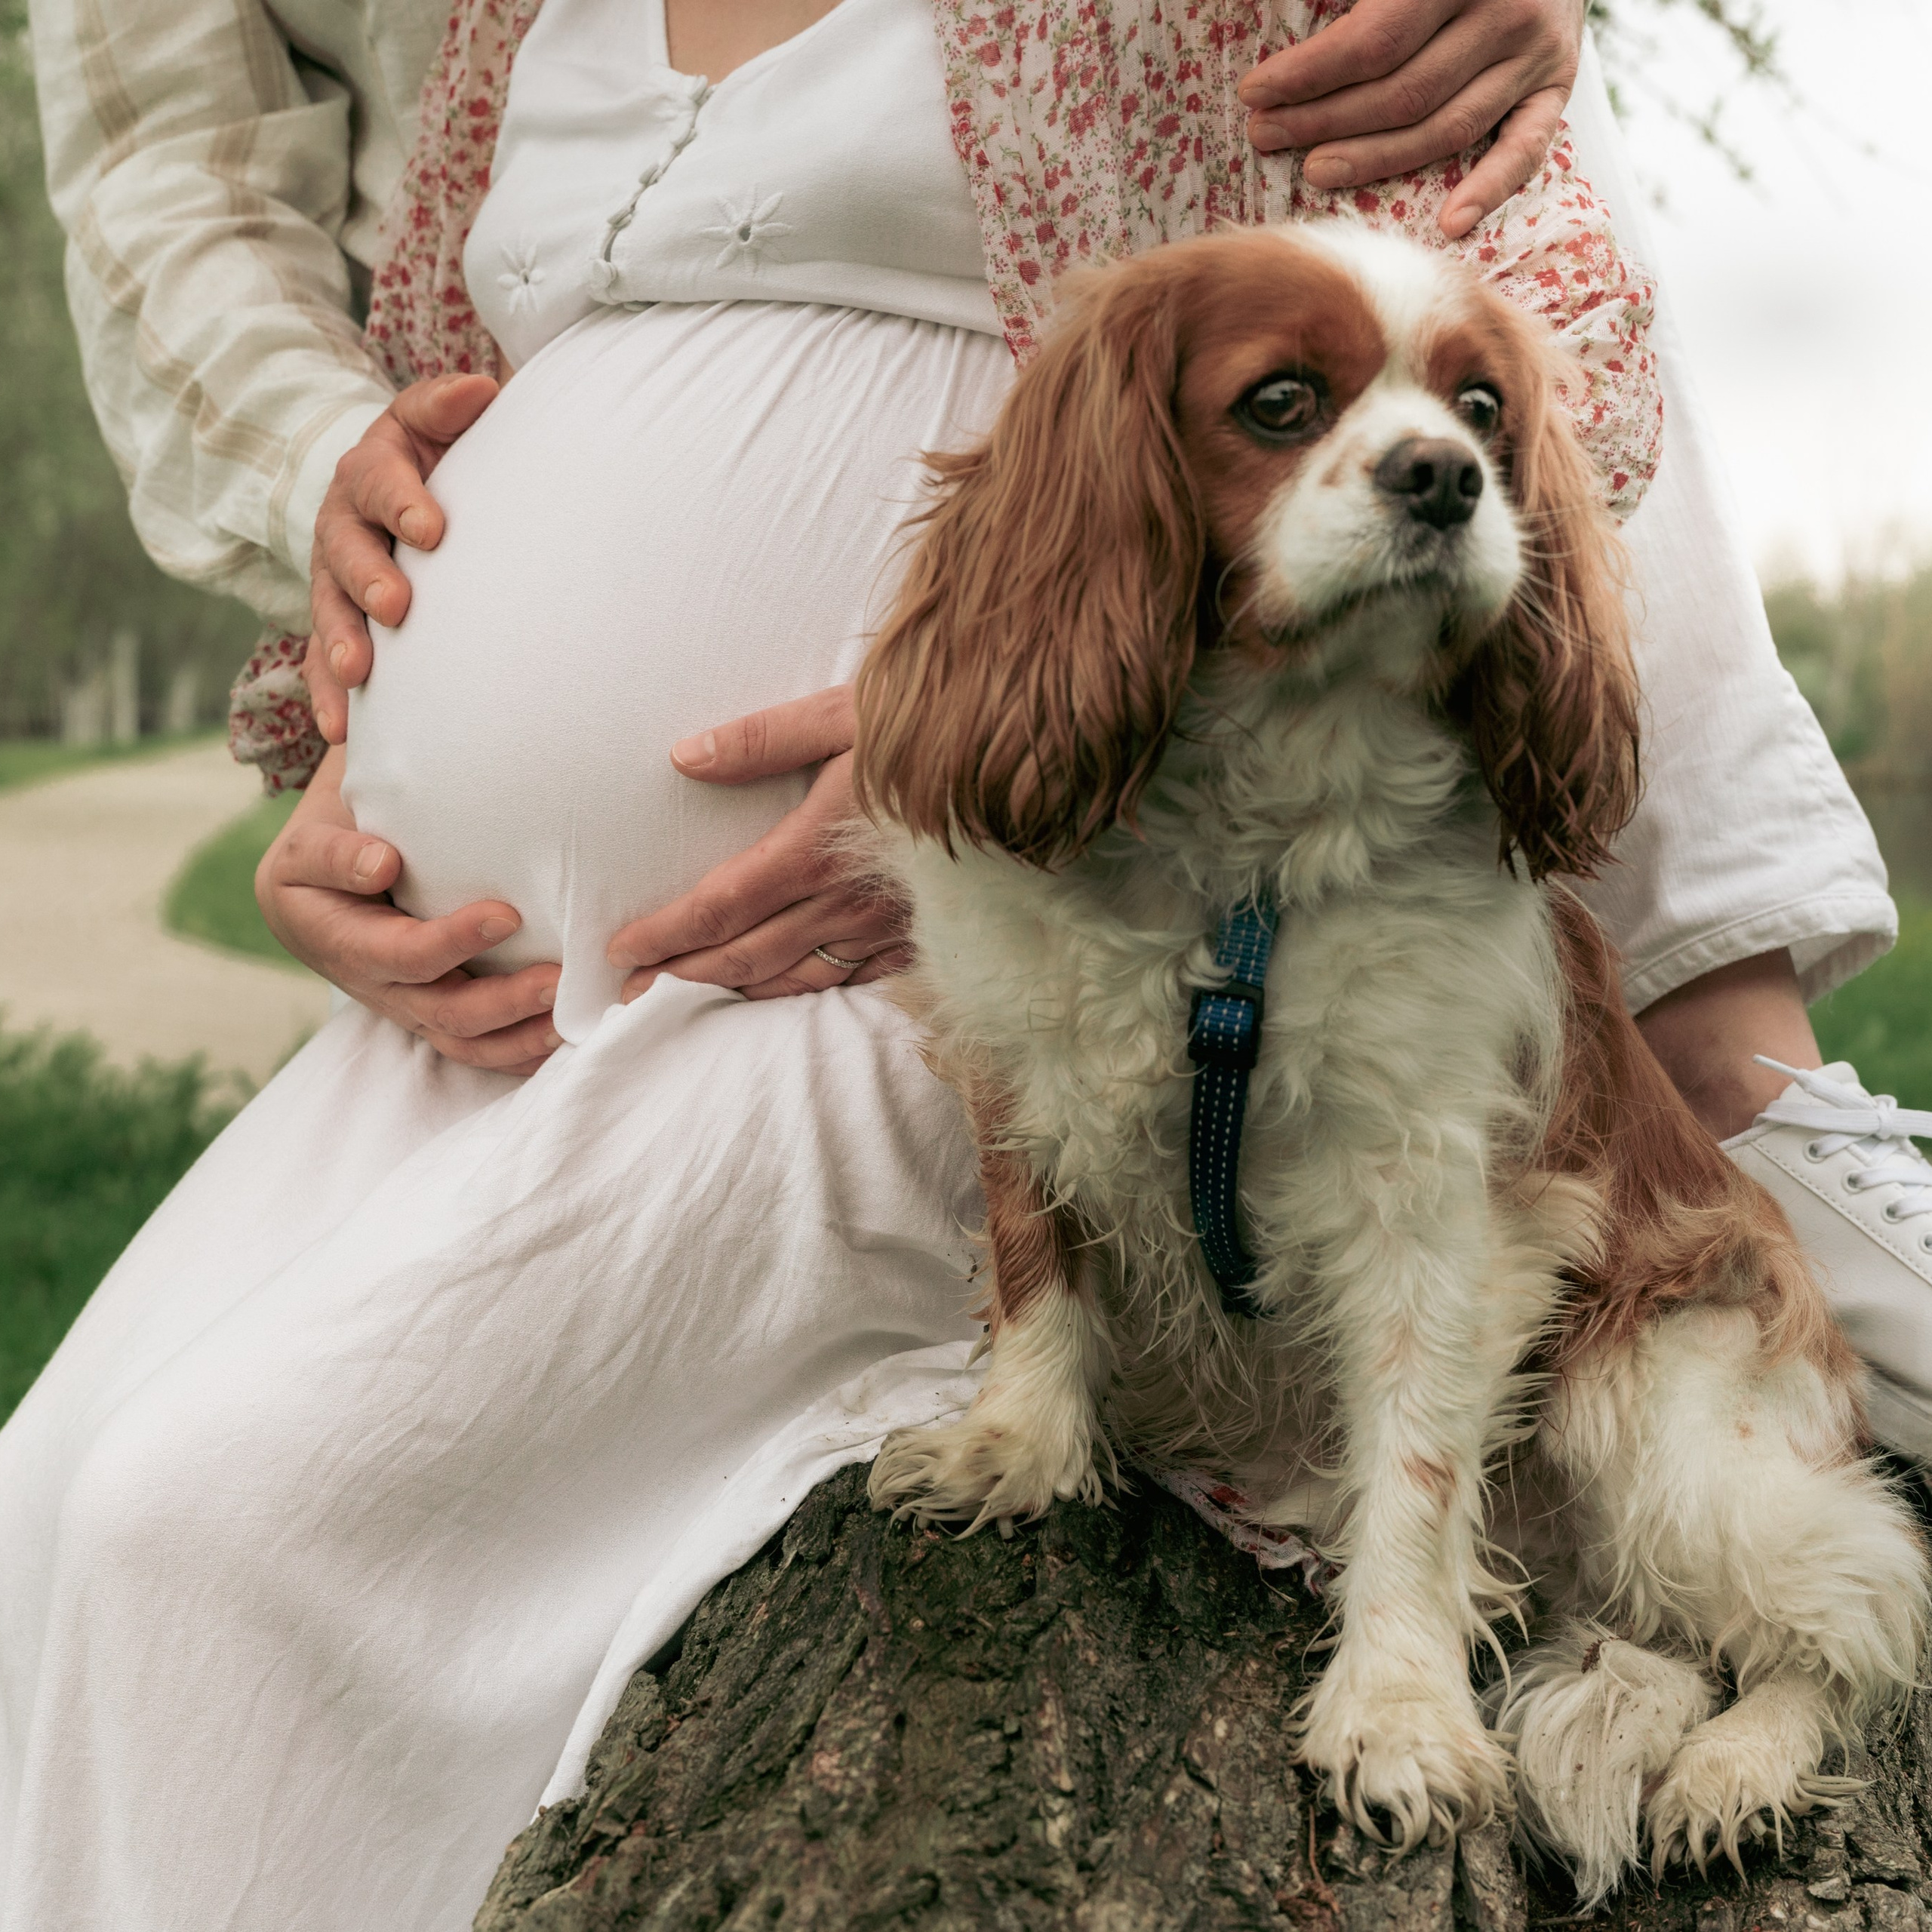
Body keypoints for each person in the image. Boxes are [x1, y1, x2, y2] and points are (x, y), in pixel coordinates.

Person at [8, 2, 1928, 1927]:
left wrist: (995, 722)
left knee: (193, 1529)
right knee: (47, 1526)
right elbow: (256, 253)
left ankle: (1761, 1112)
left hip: (928, 993)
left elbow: (1531, 355)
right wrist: (360, 703)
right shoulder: (504, 39)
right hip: (476, 1028)